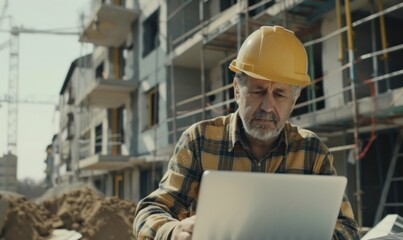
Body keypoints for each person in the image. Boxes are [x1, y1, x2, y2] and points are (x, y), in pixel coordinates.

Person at [133, 25, 361, 240]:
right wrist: (173, 231)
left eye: (279, 94)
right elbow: (150, 210)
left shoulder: (311, 150)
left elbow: (347, 227)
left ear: (294, 100)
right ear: (237, 90)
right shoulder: (200, 140)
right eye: (258, 91)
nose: (267, 106)